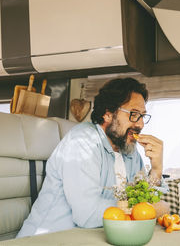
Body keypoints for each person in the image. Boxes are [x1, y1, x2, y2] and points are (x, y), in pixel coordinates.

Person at [17, 78, 167, 238]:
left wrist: (156, 169)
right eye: (134, 114)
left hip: (92, 237)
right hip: (47, 239)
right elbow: (87, 215)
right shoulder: (82, 143)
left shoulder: (130, 152)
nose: (141, 124)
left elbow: (146, 199)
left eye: (143, 116)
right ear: (108, 114)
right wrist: (147, 209)